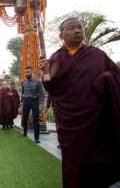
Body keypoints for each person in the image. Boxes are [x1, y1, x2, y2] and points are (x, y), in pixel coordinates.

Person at [40, 17, 120, 188]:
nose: (77, 31)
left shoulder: (97, 54)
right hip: (71, 122)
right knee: (73, 164)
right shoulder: (56, 58)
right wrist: (44, 73)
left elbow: (116, 76)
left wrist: (105, 79)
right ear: (61, 35)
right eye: (71, 28)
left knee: (99, 160)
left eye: (80, 27)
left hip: (97, 119)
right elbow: (52, 86)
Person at [21, 67, 44, 143]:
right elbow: (23, 93)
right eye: (25, 72)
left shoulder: (38, 82)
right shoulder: (23, 82)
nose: (26, 73)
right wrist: (21, 102)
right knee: (25, 118)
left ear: (32, 72)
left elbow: (41, 93)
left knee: (36, 119)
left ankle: (36, 138)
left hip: (35, 101)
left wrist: (41, 103)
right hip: (26, 101)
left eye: (27, 72)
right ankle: (25, 132)